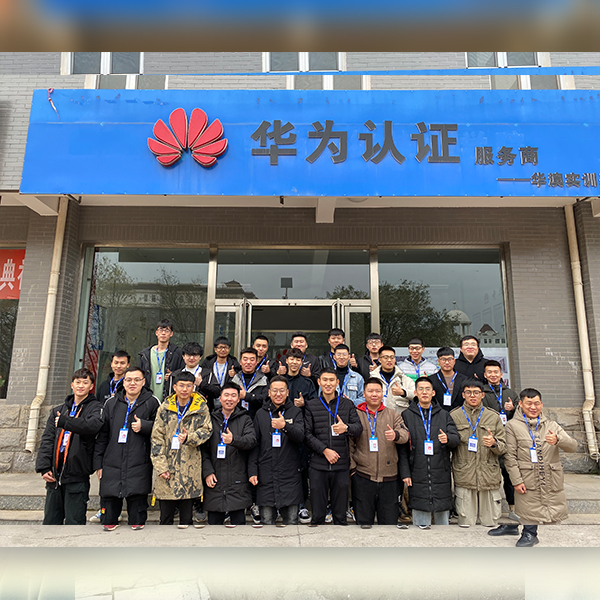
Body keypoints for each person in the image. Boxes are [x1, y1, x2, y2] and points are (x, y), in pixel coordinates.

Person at [496, 388, 577, 547]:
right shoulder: (512, 426)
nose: (533, 407)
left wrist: (558, 440)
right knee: (528, 505)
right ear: (520, 404)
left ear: (541, 404)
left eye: (536, 403)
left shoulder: (552, 425)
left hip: (550, 474)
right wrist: (516, 480)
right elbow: (510, 456)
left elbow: (573, 446)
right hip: (526, 475)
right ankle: (529, 533)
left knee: (549, 506)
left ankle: (520, 529)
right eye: (529, 403)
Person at [93, 366, 160, 531]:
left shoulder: (152, 402)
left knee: (137, 518)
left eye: (137, 380)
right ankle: (110, 519)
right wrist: (98, 463)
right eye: (129, 380)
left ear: (143, 382)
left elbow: (162, 429)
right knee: (109, 515)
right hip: (112, 461)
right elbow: (102, 436)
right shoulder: (111, 403)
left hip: (139, 461)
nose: (132, 383)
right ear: (123, 382)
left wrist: (145, 426)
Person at [35, 368, 103, 525]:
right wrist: (44, 467)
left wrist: (66, 422)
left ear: (91, 386)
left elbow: (92, 426)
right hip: (55, 476)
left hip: (77, 474)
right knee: (51, 522)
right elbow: (47, 440)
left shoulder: (95, 408)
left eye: (85, 382)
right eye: (78, 382)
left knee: (74, 523)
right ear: (72, 385)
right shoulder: (59, 410)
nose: (81, 386)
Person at [150, 371, 213, 528]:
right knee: (166, 518)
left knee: (187, 519)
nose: (185, 389)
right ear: (175, 387)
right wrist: (160, 467)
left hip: (189, 467)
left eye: (189, 386)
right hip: (168, 467)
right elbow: (156, 438)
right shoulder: (165, 408)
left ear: (193, 387)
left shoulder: (200, 407)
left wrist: (189, 437)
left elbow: (207, 430)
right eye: (181, 386)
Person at [304, 369, 363, 526]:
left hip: (341, 465)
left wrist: (346, 428)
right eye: (325, 380)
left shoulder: (347, 404)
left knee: (340, 515)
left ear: (337, 383)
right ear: (319, 382)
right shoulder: (311, 405)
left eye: (332, 380)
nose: (328, 383)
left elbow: (358, 428)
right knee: (317, 515)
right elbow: (307, 435)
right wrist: (324, 450)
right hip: (318, 464)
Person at [399, 377, 460, 528]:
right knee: (420, 520)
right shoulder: (407, 415)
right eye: (421, 389)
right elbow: (402, 448)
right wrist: (405, 473)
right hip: (417, 471)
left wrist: (448, 439)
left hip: (440, 472)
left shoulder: (444, 415)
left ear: (433, 393)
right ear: (415, 393)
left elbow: (456, 438)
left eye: (428, 389)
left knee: (442, 522)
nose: (424, 392)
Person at [349, 378, 409, 528]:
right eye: (370, 391)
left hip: (389, 478)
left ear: (383, 393)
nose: (374, 394)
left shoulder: (392, 414)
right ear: (364, 393)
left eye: (378, 391)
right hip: (363, 476)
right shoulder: (356, 415)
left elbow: (405, 435)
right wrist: (353, 470)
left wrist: (395, 435)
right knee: (363, 525)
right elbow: (349, 444)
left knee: (389, 525)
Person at [248, 377, 304, 526]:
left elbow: (300, 436)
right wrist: (252, 471)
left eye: (281, 390)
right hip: (266, 474)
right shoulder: (261, 414)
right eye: (274, 390)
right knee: (266, 522)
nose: (278, 394)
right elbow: (255, 444)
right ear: (269, 392)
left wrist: (285, 426)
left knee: (291, 523)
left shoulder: (295, 412)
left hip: (290, 475)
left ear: (287, 392)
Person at [450, 379, 506, 528]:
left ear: (482, 395)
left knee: (491, 524)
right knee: (465, 524)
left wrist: (494, 443)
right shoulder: (454, 416)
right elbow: (449, 447)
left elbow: (503, 447)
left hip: (488, 475)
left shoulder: (493, 416)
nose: (472, 396)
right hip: (464, 475)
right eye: (468, 392)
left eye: (476, 392)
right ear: (463, 395)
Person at [201, 382, 257, 527]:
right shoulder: (210, 419)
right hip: (215, 479)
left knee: (238, 527)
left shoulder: (245, 419)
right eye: (226, 395)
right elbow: (203, 449)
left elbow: (251, 441)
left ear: (238, 399)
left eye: (233, 396)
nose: (229, 399)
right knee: (214, 527)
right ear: (220, 398)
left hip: (237, 480)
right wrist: (207, 472)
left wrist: (234, 440)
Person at [482, 359, 520, 522]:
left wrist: (513, 409)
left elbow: (522, 415)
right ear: (485, 375)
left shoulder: (510, 393)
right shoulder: (481, 393)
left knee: (510, 475)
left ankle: (513, 508)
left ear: (501, 374)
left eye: (495, 372)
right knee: (488, 476)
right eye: (489, 372)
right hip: (489, 438)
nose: (493, 375)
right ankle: (488, 509)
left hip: (508, 439)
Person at [282, 347, 316, 524]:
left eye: (298, 359)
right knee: (281, 465)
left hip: (301, 430)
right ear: (286, 361)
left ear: (302, 362)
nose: (294, 362)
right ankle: (281, 504)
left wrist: (305, 404)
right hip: (280, 430)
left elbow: (315, 404)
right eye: (292, 359)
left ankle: (302, 504)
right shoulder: (279, 381)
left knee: (301, 468)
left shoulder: (307, 383)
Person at [138, 319, 184, 402]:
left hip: (169, 398)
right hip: (147, 397)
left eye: (167, 330)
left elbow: (182, 374)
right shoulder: (145, 354)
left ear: (171, 334)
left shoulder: (177, 353)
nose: (163, 333)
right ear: (156, 333)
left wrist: (173, 376)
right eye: (161, 330)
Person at [370, 345, 415, 413]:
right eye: (385, 357)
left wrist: (403, 392)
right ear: (380, 360)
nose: (389, 360)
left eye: (392, 357)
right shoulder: (373, 378)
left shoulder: (403, 379)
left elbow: (417, 394)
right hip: (378, 417)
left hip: (399, 417)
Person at [200, 336, 239, 410]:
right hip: (210, 398)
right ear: (215, 349)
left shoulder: (234, 363)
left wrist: (235, 375)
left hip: (228, 398)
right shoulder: (207, 362)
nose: (223, 350)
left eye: (226, 347)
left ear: (229, 349)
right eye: (220, 347)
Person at [231, 347, 269, 418]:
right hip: (237, 417)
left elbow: (265, 399)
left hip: (257, 417)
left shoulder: (263, 380)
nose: (248, 362)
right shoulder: (234, 379)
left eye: (252, 360)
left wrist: (247, 396)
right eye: (245, 359)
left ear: (256, 362)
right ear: (240, 362)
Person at [428, 347, 468, 412]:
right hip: (437, 414)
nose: (447, 362)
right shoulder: (431, 380)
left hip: (459, 414)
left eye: (450, 359)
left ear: (454, 361)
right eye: (443, 359)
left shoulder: (464, 379)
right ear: (438, 361)